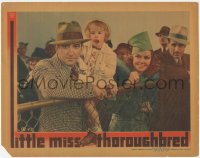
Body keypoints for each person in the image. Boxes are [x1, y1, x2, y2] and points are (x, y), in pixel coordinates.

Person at [32, 21, 107, 132]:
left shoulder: (77, 68)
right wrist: (91, 89)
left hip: (78, 133)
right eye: (65, 46)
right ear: (57, 48)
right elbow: (51, 89)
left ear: (81, 48)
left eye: (76, 46)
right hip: (53, 135)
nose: (71, 52)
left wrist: (106, 87)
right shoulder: (44, 65)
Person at [109, 32, 159, 131]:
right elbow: (112, 107)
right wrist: (129, 82)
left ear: (151, 59)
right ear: (132, 57)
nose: (142, 61)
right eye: (138, 56)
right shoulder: (119, 75)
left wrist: (150, 107)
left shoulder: (151, 79)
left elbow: (153, 105)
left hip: (142, 127)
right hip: (119, 128)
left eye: (146, 58)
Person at [150, 25, 190, 131]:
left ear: (185, 46)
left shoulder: (190, 59)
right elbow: (164, 71)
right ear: (168, 43)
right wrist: (188, 73)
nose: (177, 49)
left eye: (181, 45)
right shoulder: (158, 58)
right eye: (173, 45)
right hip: (167, 116)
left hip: (186, 115)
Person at [81, 20, 117, 132]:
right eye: (92, 33)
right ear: (88, 35)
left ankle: (96, 125)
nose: (96, 36)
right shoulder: (85, 47)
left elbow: (111, 72)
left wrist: (101, 67)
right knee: (87, 105)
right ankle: (92, 126)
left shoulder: (110, 53)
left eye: (99, 33)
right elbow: (79, 62)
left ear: (105, 35)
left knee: (88, 103)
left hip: (102, 80)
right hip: (87, 80)